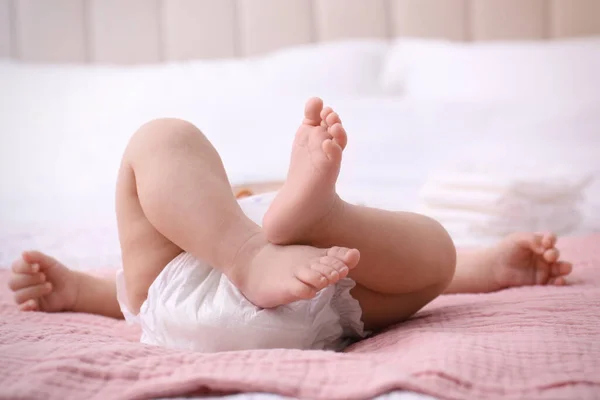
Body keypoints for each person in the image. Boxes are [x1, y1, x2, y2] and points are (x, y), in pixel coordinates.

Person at [8, 98, 572, 352]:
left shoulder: (310, 255)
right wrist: (78, 287)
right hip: (295, 288)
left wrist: (492, 265)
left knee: (160, 139)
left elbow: (123, 293)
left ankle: (301, 229)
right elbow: (423, 279)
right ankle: (287, 235)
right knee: (433, 254)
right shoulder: (216, 219)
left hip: (237, 287)